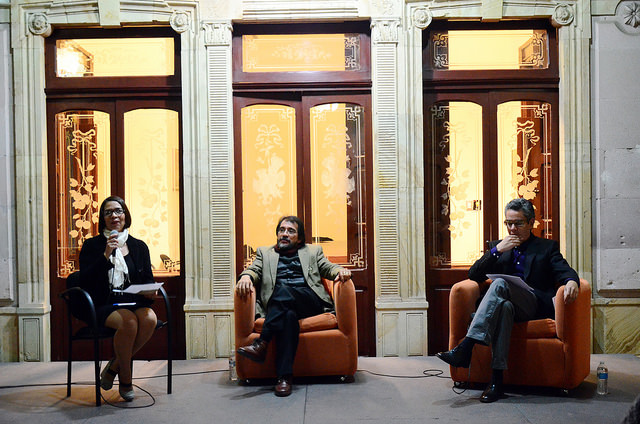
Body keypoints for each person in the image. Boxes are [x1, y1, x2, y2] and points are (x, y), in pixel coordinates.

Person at [436, 198, 580, 403]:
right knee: (504, 307)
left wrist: (572, 281)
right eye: (508, 223)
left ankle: (467, 345)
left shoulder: (546, 248)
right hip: (507, 306)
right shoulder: (498, 247)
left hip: (532, 305)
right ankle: (496, 382)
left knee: (500, 283)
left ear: (531, 223)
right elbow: (474, 274)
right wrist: (496, 251)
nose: (512, 229)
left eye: (518, 223)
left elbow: (565, 270)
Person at [235, 215, 352, 397]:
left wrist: (340, 271)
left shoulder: (312, 251)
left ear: (299, 238)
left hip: (308, 301)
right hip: (280, 306)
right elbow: (254, 269)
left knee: (283, 291)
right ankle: (284, 378)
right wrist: (245, 276)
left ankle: (262, 343)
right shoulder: (265, 253)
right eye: (282, 230)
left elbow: (328, 268)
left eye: (291, 231)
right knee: (288, 316)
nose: (285, 234)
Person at [78, 196, 158, 402]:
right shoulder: (91, 246)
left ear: (125, 215)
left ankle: (113, 368)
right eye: (108, 212)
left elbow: (147, 279)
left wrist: (150, 291)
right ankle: (126, 380)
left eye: (118, 211)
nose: (114, 216)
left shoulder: (139, 246)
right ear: (103, 219)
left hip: (134, 301)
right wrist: (106, 254)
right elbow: (85, 281)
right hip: (103, 303)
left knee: (150, 318)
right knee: (129, 322)